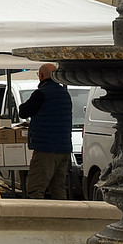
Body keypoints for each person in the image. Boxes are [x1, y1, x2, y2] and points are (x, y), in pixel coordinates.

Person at [18, 63, 72, 199]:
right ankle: (64, 212)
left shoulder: (41, 93)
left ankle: (36, 213)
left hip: (46, 148)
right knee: (58, 188)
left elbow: (24, 112)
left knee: (35, 189)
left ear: (41, 76)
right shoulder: (65, 94)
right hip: (64, 148)